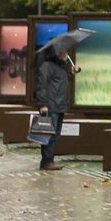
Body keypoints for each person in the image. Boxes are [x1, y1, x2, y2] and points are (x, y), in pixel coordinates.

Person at [33, 42, 77, 170]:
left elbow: (62, 81)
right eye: (63, 52)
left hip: (59, 105)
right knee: (48, 134)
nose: (65, 54)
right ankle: (47, 161)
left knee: (55, 135)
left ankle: (49, 160)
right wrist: (43, 104)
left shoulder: (60, 67)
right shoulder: (46, 66)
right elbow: (41, 86)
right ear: (56, 54)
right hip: (51, 106)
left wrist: (72, 73)